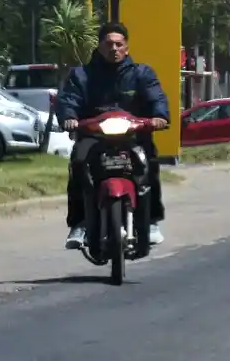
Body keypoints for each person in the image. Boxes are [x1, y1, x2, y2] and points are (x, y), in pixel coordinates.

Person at [55, 22, 170, 249]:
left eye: (119, 44)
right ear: (99, 46)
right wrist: (69, 117)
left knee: (149, 163)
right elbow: (69, 99)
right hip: (94, 135)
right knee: (79, 162)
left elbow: (156, 97)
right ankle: (79, 224)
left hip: (133, 135)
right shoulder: (81, 75)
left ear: (126, 47)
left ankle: (151, 221)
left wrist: (159, 116)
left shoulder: (141, 73)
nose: (114, 49)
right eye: (109, 44)